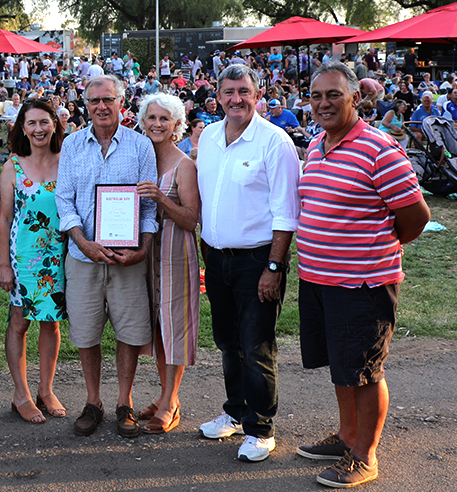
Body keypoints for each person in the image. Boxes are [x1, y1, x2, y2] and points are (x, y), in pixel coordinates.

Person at [295, 62, 430, 488]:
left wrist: (375, 250)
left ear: (356, 98)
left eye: (333, 94)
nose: (323, 103)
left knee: (366, 370)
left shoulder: (378, 148)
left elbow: (415, 216)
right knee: (342, 366)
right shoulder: (318, 145)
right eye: (316, 96)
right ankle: (347, 436)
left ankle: (364, 456)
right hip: (319, 280)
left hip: (363, 284)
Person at [193, 64, 300, 462]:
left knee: (256, 344)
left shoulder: (274, 142)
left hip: (258, 259)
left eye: (244, 91)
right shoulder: (209, 139)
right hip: (217, 257)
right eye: (228, 92)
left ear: (257, 95)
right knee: (227, 341)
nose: (236, 99)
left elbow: (286, 213)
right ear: (217, 96)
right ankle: (236, 411)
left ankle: (261, 427)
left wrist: (273, 268)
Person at [53, 74, 158, 439]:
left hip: (127, 258)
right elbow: (63, 199)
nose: (101, 106)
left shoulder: (140, 147)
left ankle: (124, 402)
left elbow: (148, 206)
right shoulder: (71, 145)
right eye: (95, 100)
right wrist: (81, 241)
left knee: (129, 330)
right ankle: (93, 401)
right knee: (85, 331)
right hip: (83, 258)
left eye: (108, 100)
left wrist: (143, 248)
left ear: (121, 104)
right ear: (86, 103)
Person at [0, 97, 66, 424]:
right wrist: (5, 265)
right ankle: (21, 393)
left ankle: (46, 390)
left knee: (51, 322)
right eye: (32, 123)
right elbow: (5, 218)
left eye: (44, 122)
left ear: (55, 124)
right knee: (20, 322)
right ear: (22, 128)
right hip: (23, 257)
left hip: (59, 257)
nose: (38, 129)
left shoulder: (67, 161)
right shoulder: (13, 166)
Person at [134, 93, 201, 435]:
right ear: (142, 121)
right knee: (157, 329)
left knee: (175, 327)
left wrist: (161, 197)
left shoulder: (184, 165)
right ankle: (165, 395)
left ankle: (170, 402)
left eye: (165, 119)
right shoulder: (138, 160)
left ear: (177, 125)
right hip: (145, 257)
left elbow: (192, 219)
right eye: (152, 118)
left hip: (176, 254)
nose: (157, 124)